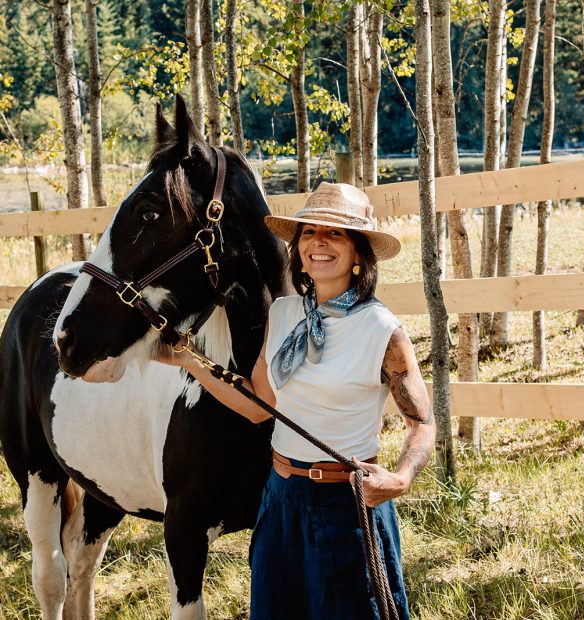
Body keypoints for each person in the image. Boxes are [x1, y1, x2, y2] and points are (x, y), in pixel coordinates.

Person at [155, 182, 436, 620]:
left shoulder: (383, 331)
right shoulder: (283, 314)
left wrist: (401, 478)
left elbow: (423, 425)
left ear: (360, 253)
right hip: (281, 498)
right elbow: (257, 404)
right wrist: (189, 362)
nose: (319, 242)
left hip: (348, 504)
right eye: (309, 232)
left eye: (336, 233)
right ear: (298, 246)